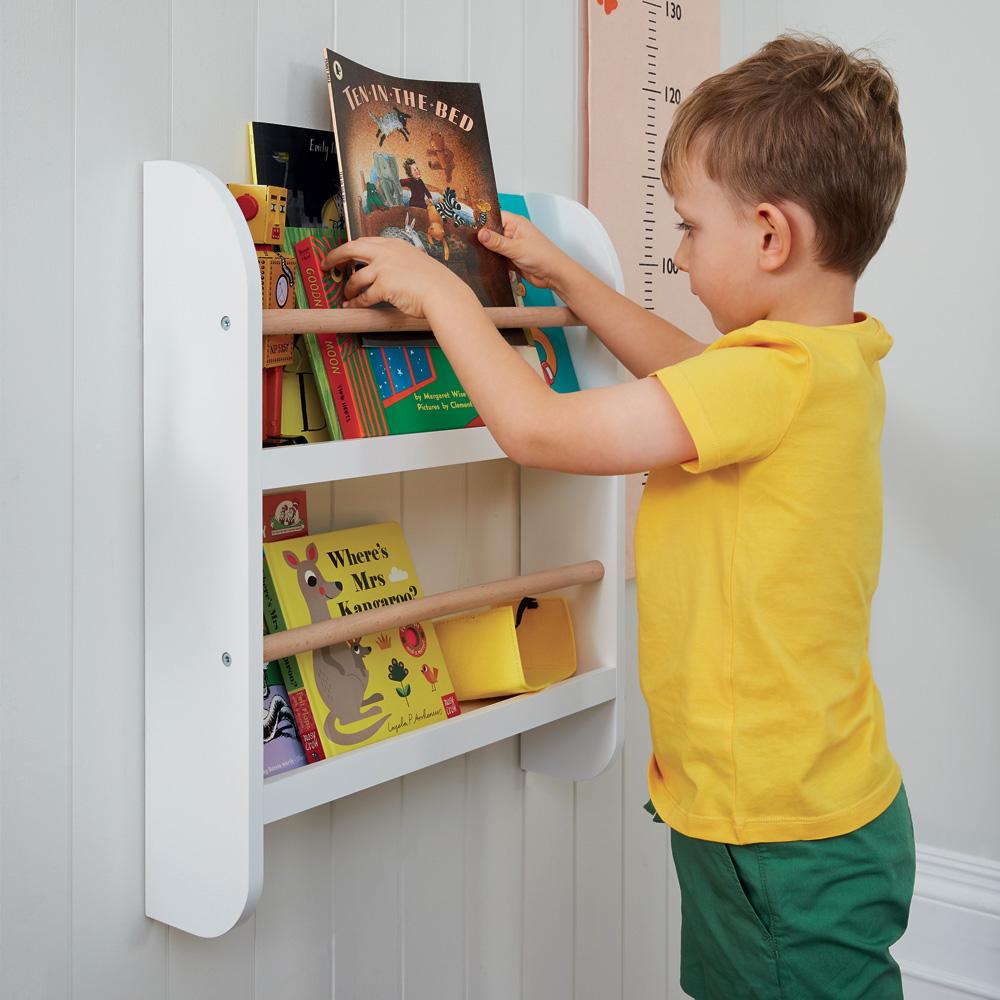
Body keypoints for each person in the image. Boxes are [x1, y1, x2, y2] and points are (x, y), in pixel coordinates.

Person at [323, 34, 915, 998]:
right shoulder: (827, 363)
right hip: (813, 812)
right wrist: (566, 278)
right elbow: (689, 369)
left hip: (776, 836)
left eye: (688, 229)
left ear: (770, 236)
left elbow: (539, 431)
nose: (679, 259)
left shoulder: (772, 377)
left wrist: (437, 291)